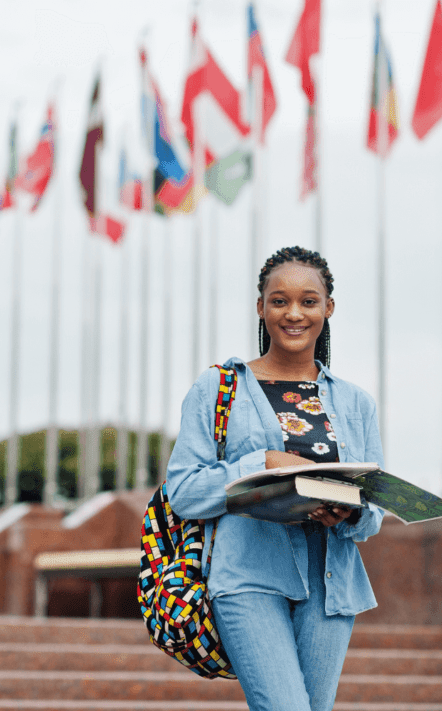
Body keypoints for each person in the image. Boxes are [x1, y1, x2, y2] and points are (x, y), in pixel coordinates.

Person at [166, 246, 385, 711]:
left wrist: (350, 511)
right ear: (261, 307)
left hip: (332, 587)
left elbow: (373, 517)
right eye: (279, 300)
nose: (294, 313)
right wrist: (260, 463)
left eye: (309, 301)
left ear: (328, 308)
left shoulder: (355, 403)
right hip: (247, 577)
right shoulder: (219, 388)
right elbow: (184, 493)